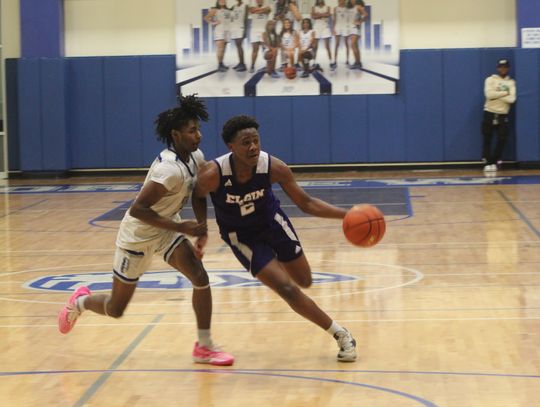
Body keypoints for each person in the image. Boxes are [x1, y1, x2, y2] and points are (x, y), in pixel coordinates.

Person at [57, 95, 234, 366]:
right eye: (191, 131)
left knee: (200, 277)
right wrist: (180, 226)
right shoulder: (168, 170)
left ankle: (204, 346)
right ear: (175, 134)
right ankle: (80, 302)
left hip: (165, 231)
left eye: (198, 129)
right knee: (116, 309)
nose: (198, 135)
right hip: (137, 237)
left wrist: (201, 229)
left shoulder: (195, 157)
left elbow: (199, 192)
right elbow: (137, 210)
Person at [194, 115, 357, 363]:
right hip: (242, 237)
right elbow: (197, 195)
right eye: (245, 142)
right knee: (288, 289)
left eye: (256, 141)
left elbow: (307, 203)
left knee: (305, 280)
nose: (253, 147)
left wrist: (348, 216)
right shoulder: (213, 174)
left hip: (273, 224)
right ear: (231, 147)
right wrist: (202, 228)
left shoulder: (273, 167)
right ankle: (341, 334)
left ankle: (274, 267)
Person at [481, 59, 517, 173]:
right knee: (487, 137)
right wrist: (505, 93)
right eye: (501, 67)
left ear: (508, 68)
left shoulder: (511, 82)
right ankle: (487, 162)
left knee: (502, 138)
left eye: (505, 67)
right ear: (497, 68)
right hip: (489, 112)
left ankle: (494, 161)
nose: (503, 69)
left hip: (503, 114)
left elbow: (512, 99)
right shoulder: (490, 80)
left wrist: (496, 95)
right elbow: (489, 95)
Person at [205, 0, 233, 72]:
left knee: (224, 49)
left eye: (224, 0)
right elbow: (206, 18)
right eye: (221, 0)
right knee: (220, 48)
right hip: (219, 30)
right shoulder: (215, 10)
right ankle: (219, 65)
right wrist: (213, 23)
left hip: (227, 31)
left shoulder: (228, 10)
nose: (222, 1)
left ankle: (222, 64)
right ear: (218, 2)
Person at [249, 0, 272, 73]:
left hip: (264, 31)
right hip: (254, 31)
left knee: (265, 50)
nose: (259, 0)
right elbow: (252, 10)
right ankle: (252, 66)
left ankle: (268, 67)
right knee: (255, 50)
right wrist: (261, 10)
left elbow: (267, 10)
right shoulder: (252, 7)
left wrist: (257, 10)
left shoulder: (267, 7)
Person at [311, 0, 332, 71]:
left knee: (327, 46)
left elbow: (328, 15)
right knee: (315, 47)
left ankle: (331, 62)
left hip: (325, 27)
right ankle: (313, 62)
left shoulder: (327, 7)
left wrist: (318, 15)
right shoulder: (314, 7)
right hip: (316, 27)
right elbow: (313, 16)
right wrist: (323, 15)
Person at [348, 0, 368, 69]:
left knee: (353, 45)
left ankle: (357, 62)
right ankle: (358, 62)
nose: (352, 1)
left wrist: (360, 21)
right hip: (351, 29)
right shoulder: (350, 8)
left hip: (356, 28)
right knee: (355, 46)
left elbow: (366, 15)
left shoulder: (358, 7)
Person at [230, 0, 249, 72]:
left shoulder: (245, 6)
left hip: (241, 28)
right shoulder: (234, 6)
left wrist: (245, 30)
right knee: (238, 46)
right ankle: (240, 63)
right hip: (234, 28)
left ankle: (243, 65)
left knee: (239, 45)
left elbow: (246, 19)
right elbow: (231, 16)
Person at [332, 0, 351, 70]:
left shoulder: (348, 9)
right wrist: (333, 28)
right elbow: (334, 19)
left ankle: (347, 60)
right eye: (340, 0)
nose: (341, 1)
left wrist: (349, 28)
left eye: (342, 0)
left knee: (347, 44)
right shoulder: (335, 8)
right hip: (338, 27)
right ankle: (335, 61)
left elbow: (349, 19)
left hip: (346, 27)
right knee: (337, 44)